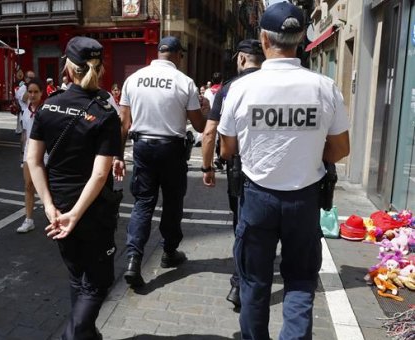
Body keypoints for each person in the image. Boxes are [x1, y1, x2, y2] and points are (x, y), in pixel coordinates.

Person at [217, 3, 350, 339]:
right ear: (303, 38)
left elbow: (226, 149)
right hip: (304, 199)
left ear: (263, 39)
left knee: (254, 283)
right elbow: (341, 149)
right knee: (301, 280)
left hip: (257, 198)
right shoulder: (324, 86)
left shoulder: (240, 88)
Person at [26, 36, 121, 340]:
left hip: (60, 205)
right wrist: (77, 214)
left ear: (68, 67)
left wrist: (50, 206)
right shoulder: (105, 112)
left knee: (77, 277)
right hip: (92, 210)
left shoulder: (48, 106)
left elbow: (33, 161)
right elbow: (100, 173)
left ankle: (86, 335)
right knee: (97, 282)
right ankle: (74, 336)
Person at [114, 36, 208, 287]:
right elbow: (199, 125)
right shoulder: (184, 82)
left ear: (159, 53)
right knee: (173, 202)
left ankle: (134, 258)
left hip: (142, 146)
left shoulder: (133, 79)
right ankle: (169, 251)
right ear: (177, 55)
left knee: (143, 203)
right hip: (172, 149)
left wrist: (117, 155)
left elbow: (124, 123)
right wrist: (206, 109)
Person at [201, 39, 265, 308]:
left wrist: (207, 167)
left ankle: (239, 283)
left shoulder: (230, 88)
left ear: (240, 59)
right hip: (277, 169)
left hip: (239, 166)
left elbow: (209, 131)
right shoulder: (275, 83)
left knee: (242, 224)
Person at [17, 78, 44, 233]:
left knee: (48, 187)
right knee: (28, 186)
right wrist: (22, 155)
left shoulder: (46, 110)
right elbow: (25, 135)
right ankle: (28, 220)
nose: (32, 95)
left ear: (41, 93)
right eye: (30, 92)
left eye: (36, 92)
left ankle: (55, 217)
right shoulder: (26, 112)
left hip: (45, 153)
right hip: (29, 152)